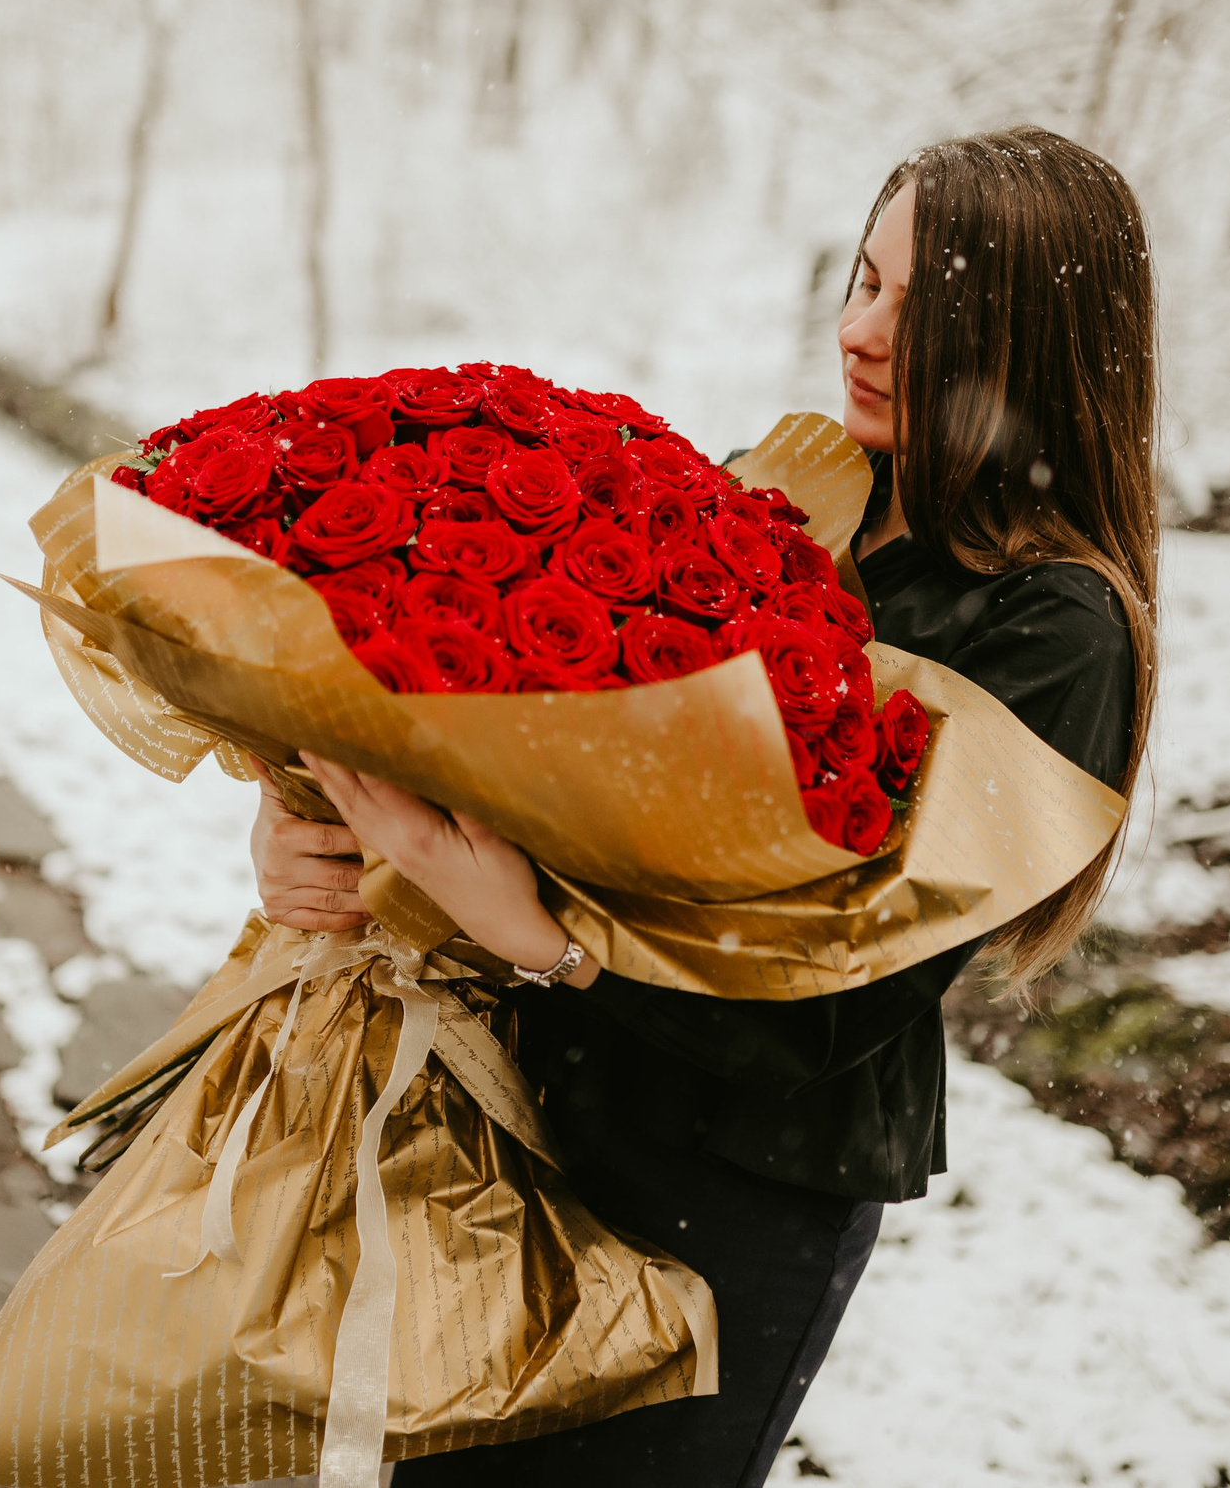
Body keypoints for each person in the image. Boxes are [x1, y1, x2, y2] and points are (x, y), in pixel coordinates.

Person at [252, 126, 1161, 1488]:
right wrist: (316, 814)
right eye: (862, 281)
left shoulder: (1057, 628)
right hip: (528, 1095)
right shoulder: (784, 494)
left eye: (925, 310)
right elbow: (524, 742)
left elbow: (846, 1004)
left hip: (737, 1193)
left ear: (1033, 343)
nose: (860, 332)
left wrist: (544, 938)